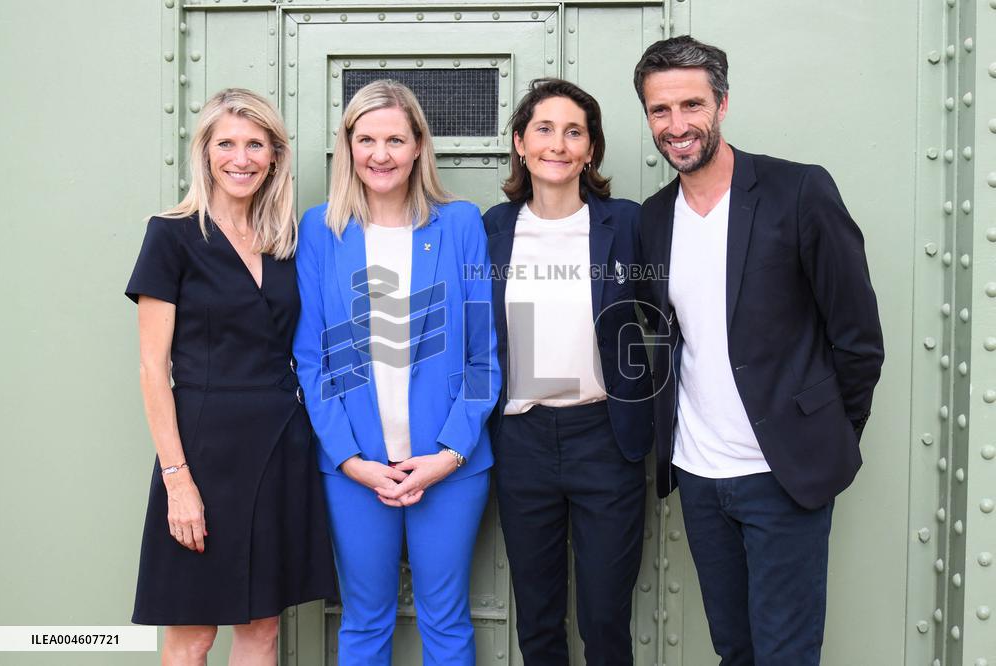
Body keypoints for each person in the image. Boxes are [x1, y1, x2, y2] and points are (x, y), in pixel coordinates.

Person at [634, 36, 885, 665]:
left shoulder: (798, 192)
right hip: (698, 473)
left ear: (721, 103)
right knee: (735, 650)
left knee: (786, 654)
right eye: (660, 111)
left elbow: (857, 338)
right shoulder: (654, 217)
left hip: (781, 475)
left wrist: (824, 432)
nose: (677, 126)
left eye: (691, 105)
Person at [125, 88, 336, 665]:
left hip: (280, 446)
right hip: (203, 451)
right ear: (206, 152)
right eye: (226, 144)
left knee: (263, 627)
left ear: (274, 156)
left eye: (255, 145)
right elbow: (152, 368)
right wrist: (177, 480)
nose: (240, 158)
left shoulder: (287, 241)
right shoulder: (170, 235)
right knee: (193, 634)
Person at [292, 79, 499, 666]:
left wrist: (450, 453)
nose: (380, 154)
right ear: (348, 147)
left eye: (395, 139)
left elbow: (484, 355)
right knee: (364, 620)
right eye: (366, 139)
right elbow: (312, 358)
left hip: (449, 465)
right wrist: (351, 460)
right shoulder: (321, 231)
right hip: (353, 467)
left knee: (446, 619)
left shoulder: (461, 225)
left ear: (417, 148)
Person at [482, 78, 654, 666]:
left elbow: (668, 315)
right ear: (520, 143)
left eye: (574, 131)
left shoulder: (627, 225)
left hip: (605, 437)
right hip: (522, 440)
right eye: (544, 129)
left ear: (591, 150)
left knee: (605, 620)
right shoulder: (493, 229)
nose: (558, 143)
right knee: (537, 617)